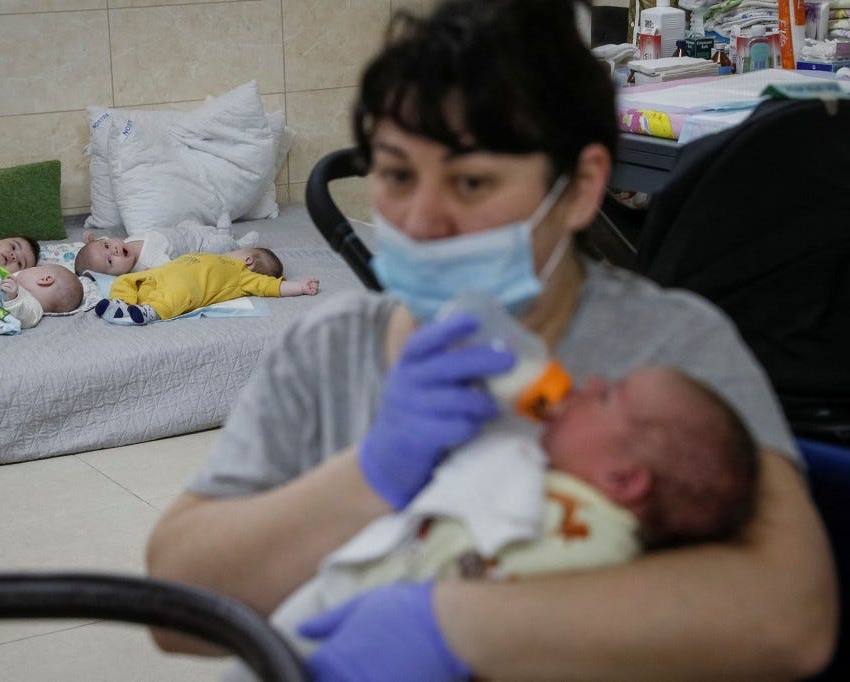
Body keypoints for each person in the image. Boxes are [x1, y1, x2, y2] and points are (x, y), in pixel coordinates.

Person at [145, 0, 837, 679]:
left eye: (471, 181)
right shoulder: (330, 349)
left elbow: (789, 618)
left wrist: (450, 625)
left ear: (580, 187)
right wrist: (372, 471)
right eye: (395, 174)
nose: (421, 219)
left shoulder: (667, 350)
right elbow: (176, 613)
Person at [223, 366, 758, 677]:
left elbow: (529, 617)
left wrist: (455, 622)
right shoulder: (547, 465)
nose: (590, 380)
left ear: (622, 480)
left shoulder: (594, 542)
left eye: (609, 395)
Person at [94, 247, 319, 325]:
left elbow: (271, 287)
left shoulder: (241, 274)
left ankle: (150, 312)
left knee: (178, 296)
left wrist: (299, 286)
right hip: (158, 275)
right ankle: (122, 305)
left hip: (184, 287)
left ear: (247, 261)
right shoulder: (211, 256)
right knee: (124, 280)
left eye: (241, 251)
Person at [73, 217, 259, 277]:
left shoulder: (117, 246)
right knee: (220, 245)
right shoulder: (148, 263)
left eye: (107, 245)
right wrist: (149, 275)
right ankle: (237, 243)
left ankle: (218, 230)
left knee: (191, 222)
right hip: (197, 246)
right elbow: (174, 270)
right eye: (110, 261)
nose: (113, 250)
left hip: (180, 231)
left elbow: (103, 244)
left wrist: (92, 241)